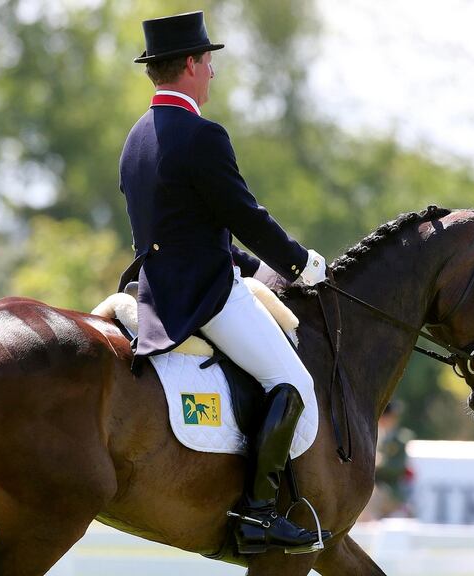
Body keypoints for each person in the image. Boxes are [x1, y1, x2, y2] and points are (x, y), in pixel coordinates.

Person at [118, 11, 332, 554]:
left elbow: (188, 228)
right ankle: (258, 514)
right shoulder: (201, 135)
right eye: (209, 63)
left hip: (154, 285)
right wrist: (297, 263)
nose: (212, 73)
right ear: (190, 64)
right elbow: (245, 214)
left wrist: (253, 268)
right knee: (293, 384)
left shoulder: (137, 138)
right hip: (204, 296)